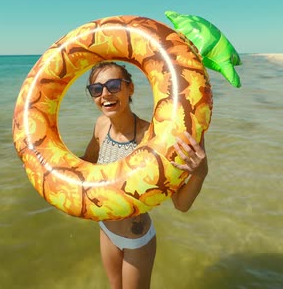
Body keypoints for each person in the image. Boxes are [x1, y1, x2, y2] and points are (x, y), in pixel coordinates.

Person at [81, 61, 209, 289]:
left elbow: (181, 204)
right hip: (106, 230)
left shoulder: (151, 138)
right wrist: (42, 166)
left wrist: (200, 172)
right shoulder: (101, 126)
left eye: (113, 85)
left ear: (130, 88)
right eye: (96, 89)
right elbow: (86, 166)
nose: (105, 94)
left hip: (136, 240)